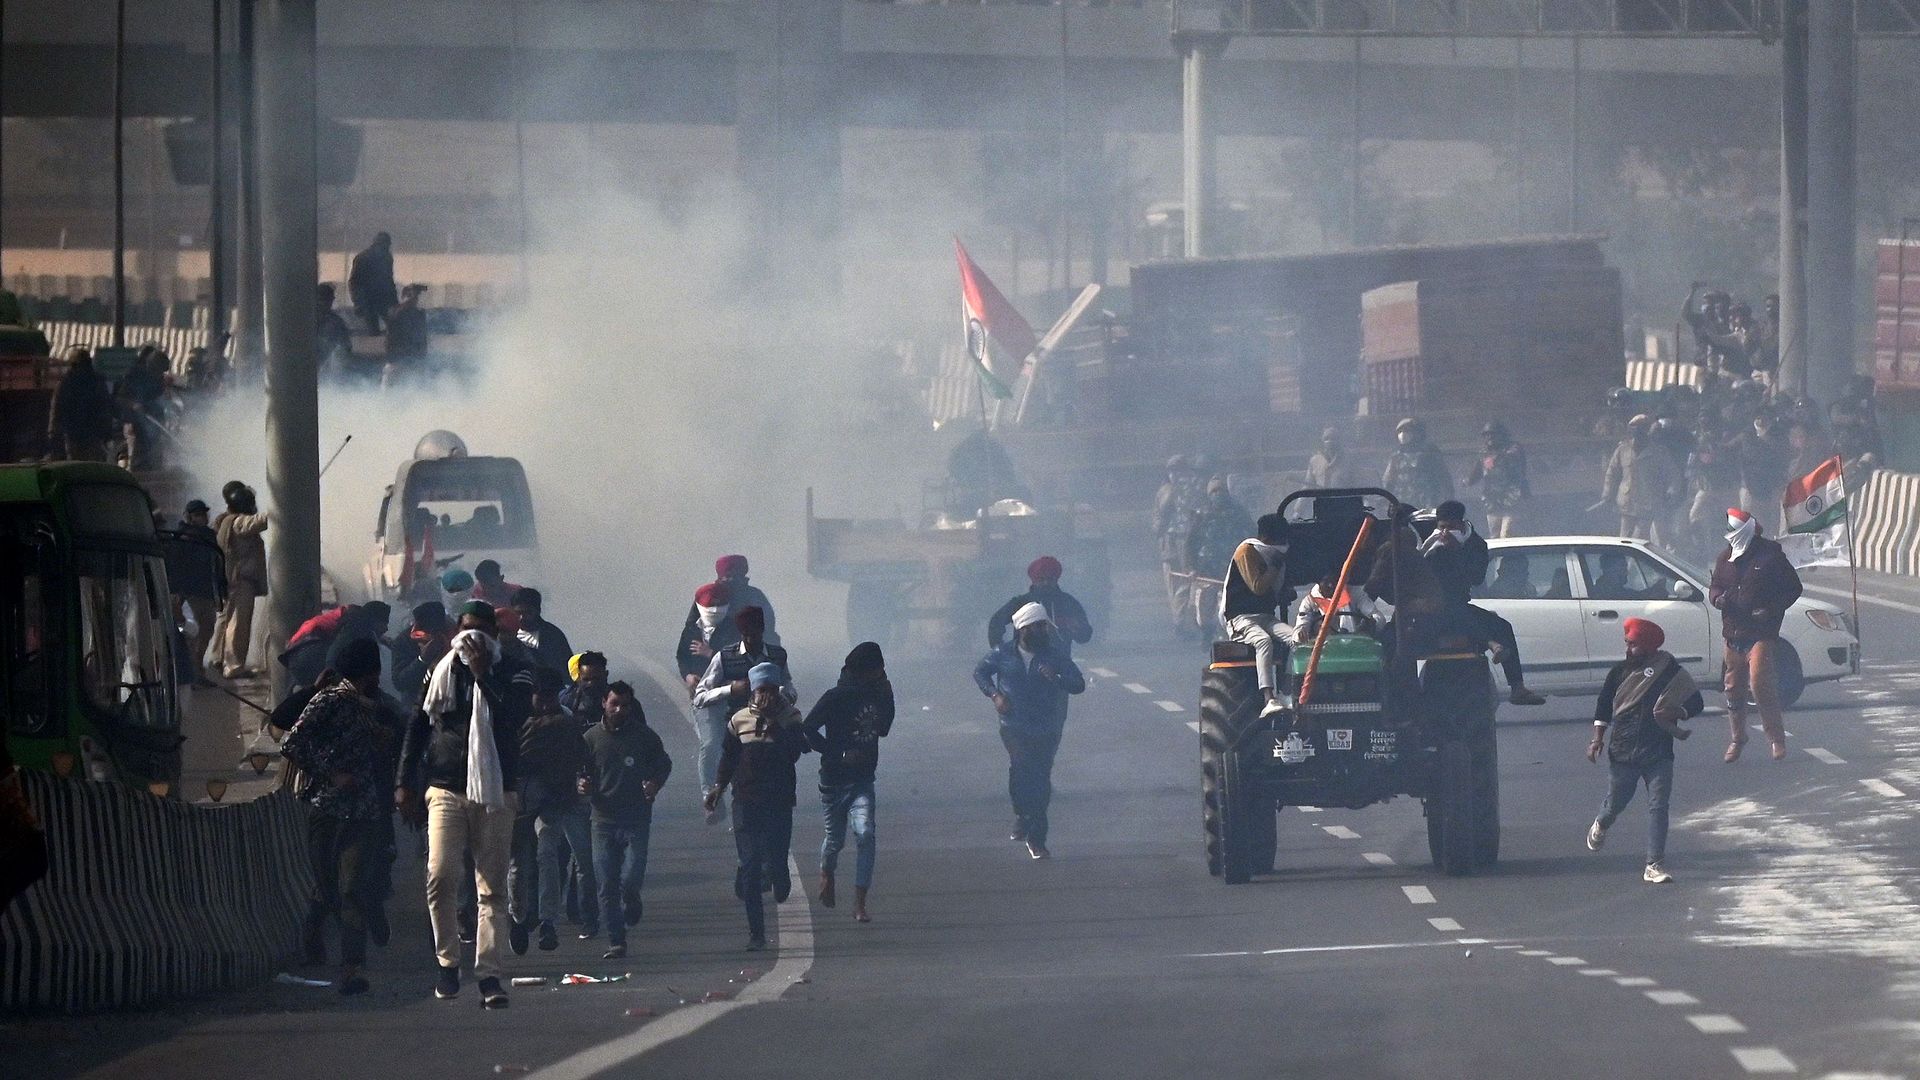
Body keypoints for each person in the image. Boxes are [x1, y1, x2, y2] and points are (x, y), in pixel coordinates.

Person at [397, 601, 534, 1010]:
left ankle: (489, 975)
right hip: (445, 787)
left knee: (490, 887)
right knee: (440, 875)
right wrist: (404, 781)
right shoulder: (440, 670)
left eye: (480, 631)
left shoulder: (513, 668)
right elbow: (419, 724)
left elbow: (512, 717)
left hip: (496, 790)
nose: (471, 638)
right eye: (465, 629)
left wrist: (483, 674)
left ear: (493, 634)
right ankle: (447, 963)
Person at [281, 639, 404, 995]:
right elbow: (292, 743)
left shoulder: (378, 707)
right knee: (327, 885)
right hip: (326, 805)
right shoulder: (331, 701)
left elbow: (402, 734)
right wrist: (330, 773)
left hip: (363, 810)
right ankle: (314, 938)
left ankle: (352, 967)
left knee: (352, 888)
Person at [1584, 618, 1703, 885]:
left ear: (1649, 646)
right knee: (1617, 801)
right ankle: (1601, 823)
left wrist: (1678, 712)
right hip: (1623, 749)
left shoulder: (1671, 671)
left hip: (1658, 750)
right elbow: (1603, 706)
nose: (1629, 649)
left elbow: (1696, 702)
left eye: (1634, 644)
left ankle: (1654, 864)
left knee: (1658, 806)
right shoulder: (1618, 673)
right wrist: (1596, 740)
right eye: (1627, 643)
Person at [704, 663, 810, 949]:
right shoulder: (738, 720)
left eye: (772, 690)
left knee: (776, 857)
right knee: (750, 867)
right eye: (762, 690)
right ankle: (756, 934)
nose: (767, 696)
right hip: (746, 801)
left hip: (779, 800)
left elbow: (794, 753)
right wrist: (718, 788)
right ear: (753, 690)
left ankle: (780, 873)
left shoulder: (791, 717)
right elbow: (728, 758)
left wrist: (774, 724)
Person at [974, 603, 1085, 859]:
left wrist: (1056, 678)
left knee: (1041, 777)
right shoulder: (1003, 653)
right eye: (1036, 626)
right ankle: (1021, 814)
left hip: (1046, 725)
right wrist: (995, 695)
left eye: (1043, 626)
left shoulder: (1054, 655)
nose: (1041, 631)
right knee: (1021, 767)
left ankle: (1037, 837)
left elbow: (1077, 684)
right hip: (1013, 725)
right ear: (1022, 629)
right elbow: (980, 672)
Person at [1420, 501, 1547, 706]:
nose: (1444, 532)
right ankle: (1490, 642)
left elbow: (1476, 578)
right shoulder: (1432, 544)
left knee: (1503, 627)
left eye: (1449, 527)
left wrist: (1456, 552)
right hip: (1433, 608)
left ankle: (1517, 687)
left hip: (1458, 604)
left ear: (1460, 525)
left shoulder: (1476, 545)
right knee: (1453, 609)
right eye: (1441, 527)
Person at [803, 642, 894, 923]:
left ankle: (859, 903)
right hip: (834, 780)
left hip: (863, 780)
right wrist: (839, 753)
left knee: (866, 834)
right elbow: (807, 729)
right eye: (879, 668)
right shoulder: (836, 697)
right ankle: (826, 873)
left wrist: (888, 697)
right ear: (868, 671)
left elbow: (884, 728)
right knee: (835, 841)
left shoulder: (877, 694)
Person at [582, 680, 672, 960]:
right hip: (603, 820)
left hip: (635, 818)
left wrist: (655, 784)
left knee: (631, 878)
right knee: (606, 883)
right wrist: (581, 784)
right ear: (604, 704)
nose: (619, 709)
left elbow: (663, 764)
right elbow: (578, 770)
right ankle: (616, 940)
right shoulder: (591, 739)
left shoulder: (644, 737)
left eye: (625, 705)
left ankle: (632, 899)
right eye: (614, 704)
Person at [508, 670, 595, 953]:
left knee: (547, 854)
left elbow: (582, 757)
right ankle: (517, 917)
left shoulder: (567, 722)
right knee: (517, 865)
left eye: (549, 697)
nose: (545, 704)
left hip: (554, 800)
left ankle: (548, 923)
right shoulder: (516, 721)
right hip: (519, 802)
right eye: (540, 697)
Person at [1710, 509, 1803, 763]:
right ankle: (1737, 738)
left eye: (1733, 530)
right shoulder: (1724, 558)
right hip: (1733, 631)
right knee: (1732, 688)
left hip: (1760, 632)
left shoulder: (1770, 556)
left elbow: (1793, 588)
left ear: (1745, 530)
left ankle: (1776, 739)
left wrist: (1771, 610)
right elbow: (1715, 586)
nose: (1729, 535)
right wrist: (1718, 599)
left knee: (1760, 683)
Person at [691, 607, 793, 821]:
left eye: (754, 634)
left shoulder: (777, 655)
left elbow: (790, 689)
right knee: (734, 769)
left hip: (771, 726)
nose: (750, 639)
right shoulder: (725, 657)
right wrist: (731, 690)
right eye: (745, 634)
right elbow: (700, 696)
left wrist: (777, 694)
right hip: (736, 727)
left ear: (762, 630)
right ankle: (732, 812)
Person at [1219, 513, 1299, 718]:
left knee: (1297, 639)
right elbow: (1258, 587)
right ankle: (1269, 698)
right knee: (1263, 642)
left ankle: (1287, 691)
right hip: (1240, 617)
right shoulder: (1247, 551)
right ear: (1267, 538)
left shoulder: (1277, 557)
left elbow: (1276, 590)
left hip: (1265, 616)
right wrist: (1274, 566)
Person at [212, 481, 269, 680]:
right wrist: (278, 509)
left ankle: (219, 659)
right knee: (238, 624)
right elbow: (260, 521)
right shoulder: (238, 522)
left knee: (227, 621)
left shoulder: (225, 521)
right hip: (241, 580)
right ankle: (234, 665)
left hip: (234, 580)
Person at [164, 499, 222, 686]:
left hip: (205, 590)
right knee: (196, 632)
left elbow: (215, 565)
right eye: (198, 515)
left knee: (206, 631)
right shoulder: (183, 538)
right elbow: (177, 566)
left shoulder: (208, 536)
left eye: (204, 514)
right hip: (190, 591)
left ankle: (196, 671)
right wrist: (178, 592)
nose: (202, 517)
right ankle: (195, 673)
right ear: (189, 517)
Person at [986, 556, 1094, 655]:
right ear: (1034, 581)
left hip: (1060, 664)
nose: (1046, 583)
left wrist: (1077, 630)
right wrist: (1001, 652)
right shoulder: (1021, 603)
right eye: (1041, 579)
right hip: (1024, 664)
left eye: (1050, 579)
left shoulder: (1069, 603)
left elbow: (1084, 637)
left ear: (1056, 579)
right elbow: (996, 622)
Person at [1601, 414, 1677, 543]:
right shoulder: (1622, 449)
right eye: (1634, 429)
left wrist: (1672, 491)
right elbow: (1612, 473)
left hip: (1647, 505)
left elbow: (1672, 474)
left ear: (1646, 431)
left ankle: (1633, 564)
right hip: (1626, 503)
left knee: (1638, 540)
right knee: (1624, 541)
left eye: (1640, 429)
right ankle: (1626, 564)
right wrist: (1607, 494)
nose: (1637, 433)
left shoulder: (1659, 452)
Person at [1152, 456, 1203, 626]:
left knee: (1189, 581)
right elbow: (1158, 519)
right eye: (1171, 471)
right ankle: (1181, 622)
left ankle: (1187, 621)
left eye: (1178, 470)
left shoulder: (1192, 490)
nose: (1175, 475)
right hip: (1171, 544)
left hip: (1187, 543)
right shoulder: (1166, 491)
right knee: (1177, 585)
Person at [1185, 478, 1256, 589]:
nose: (1218, 494)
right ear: (1209, 495)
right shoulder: (1202, 515)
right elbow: (1191, 543)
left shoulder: (1239, 512)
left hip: (1233, 565)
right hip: (1207, 569)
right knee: (1204, 601)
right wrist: (1191, 568)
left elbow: (1253, 535)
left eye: (1221, 490)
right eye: (1214, 491)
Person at [46, 347, 113, 461]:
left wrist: (52, 433)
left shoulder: (68, 382)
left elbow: (57, 409)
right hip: (79, 432)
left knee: (85, 464)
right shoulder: (69, 382)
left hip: (86, 432)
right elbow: (57, 408)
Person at [1465, 421, 1529, 538]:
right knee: (1494, 536)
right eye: (1487, 435)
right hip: (1492, 501)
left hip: (1512, 499)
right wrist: (1468, 481)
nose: (1490, 438)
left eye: (1493, 434)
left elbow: (1513, 462)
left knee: (1507, 535)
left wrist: (1495, 456)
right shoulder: (1484, 453)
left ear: (1502, 435)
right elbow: (1477, 471)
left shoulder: (1513, 450)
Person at [675, 582, 740, 693]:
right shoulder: (691, 630)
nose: (715, 610)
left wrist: (711, 653)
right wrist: (687, 676)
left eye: (719, 606)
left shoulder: (733, 630)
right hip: (698, 690)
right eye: (711, 606)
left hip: (726, 690)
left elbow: (738, 661)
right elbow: (682, 656)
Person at [1381, 418, 1453, 511]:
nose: (1402, 434)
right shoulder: (1396, 456)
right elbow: (1388, 479)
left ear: (1417, 433)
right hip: (1402, 503)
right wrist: (1385, 498)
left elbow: (1443, 476)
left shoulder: (1429, 452)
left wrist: (1448, 496)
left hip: (1426, 502)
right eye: (1400, 431)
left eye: (1407, 430)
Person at [1292, 567, 1382, 641]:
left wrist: (1370, 624)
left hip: (1356, 645)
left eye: (1334, 581)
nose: (1331, 585)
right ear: (1318, 583)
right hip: (1324, 651)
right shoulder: (1309, 601)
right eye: (1326, 581)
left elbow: (1378, 617)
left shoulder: (1356, 594)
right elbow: (1301, 626)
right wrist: (1301, 634)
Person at [1737, 412, 1792, 532]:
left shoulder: (1779, 435)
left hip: (1773, 485)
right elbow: (1749, 456)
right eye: (1758, 418)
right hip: (1751, 485)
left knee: (1775, 521)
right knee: (1751, 521)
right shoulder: (1747, 436)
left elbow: (1782, 458)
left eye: (1764, 418)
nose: (1761, 422)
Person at [510, 588, 573, 681]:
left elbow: (564, 671)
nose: (521, 618)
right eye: (518, 613)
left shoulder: (553, 636)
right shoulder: (505, 634)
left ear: (538, 611)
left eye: (527, 613)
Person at [349, 232, 398, 332]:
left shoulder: (387, 258)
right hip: (368, 301)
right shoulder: (362, 258)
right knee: (374, 330)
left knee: (394, 327)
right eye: (384, 245)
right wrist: (358, 303)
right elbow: (354, 283)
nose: (386, 248)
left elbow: (389, 280)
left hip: (382, 300)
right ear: (377, 245)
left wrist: (394, 302)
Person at [385, 283, 430, 378]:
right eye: (415, 296)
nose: (417, 299)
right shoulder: (400, 313)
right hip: (404, 363)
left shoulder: (394, 311)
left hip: (402, 362)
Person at [561, 650, 610, 730]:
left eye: (596, 679)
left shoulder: (622, 702)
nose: (591, 684)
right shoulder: (567, 701)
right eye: (586, 679)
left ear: (606, 675)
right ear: (579, 677)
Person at [317, 283, 353, 370]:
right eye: (323, 300)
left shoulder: (336, 322)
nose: (329, 302)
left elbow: (346, 347)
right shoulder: (335, 322)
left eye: (329, 299)